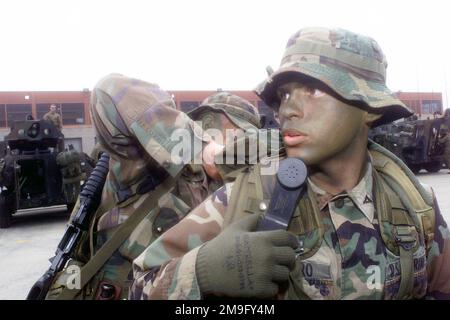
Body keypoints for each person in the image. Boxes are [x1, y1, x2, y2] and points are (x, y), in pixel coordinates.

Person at [130, 27, 450, 300]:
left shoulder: (414, 206)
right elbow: (139, 286)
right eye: (283, 95)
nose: (286, 111)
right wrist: (202, 272)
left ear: (369, 108)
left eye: (312, 90)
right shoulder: (250, 197)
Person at [45, 74, 259, 300]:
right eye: (239, 134)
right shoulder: (149, 161)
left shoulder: (238, 187)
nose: (245, 147)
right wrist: (198, 145)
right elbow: (108, 90)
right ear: (208, 124)